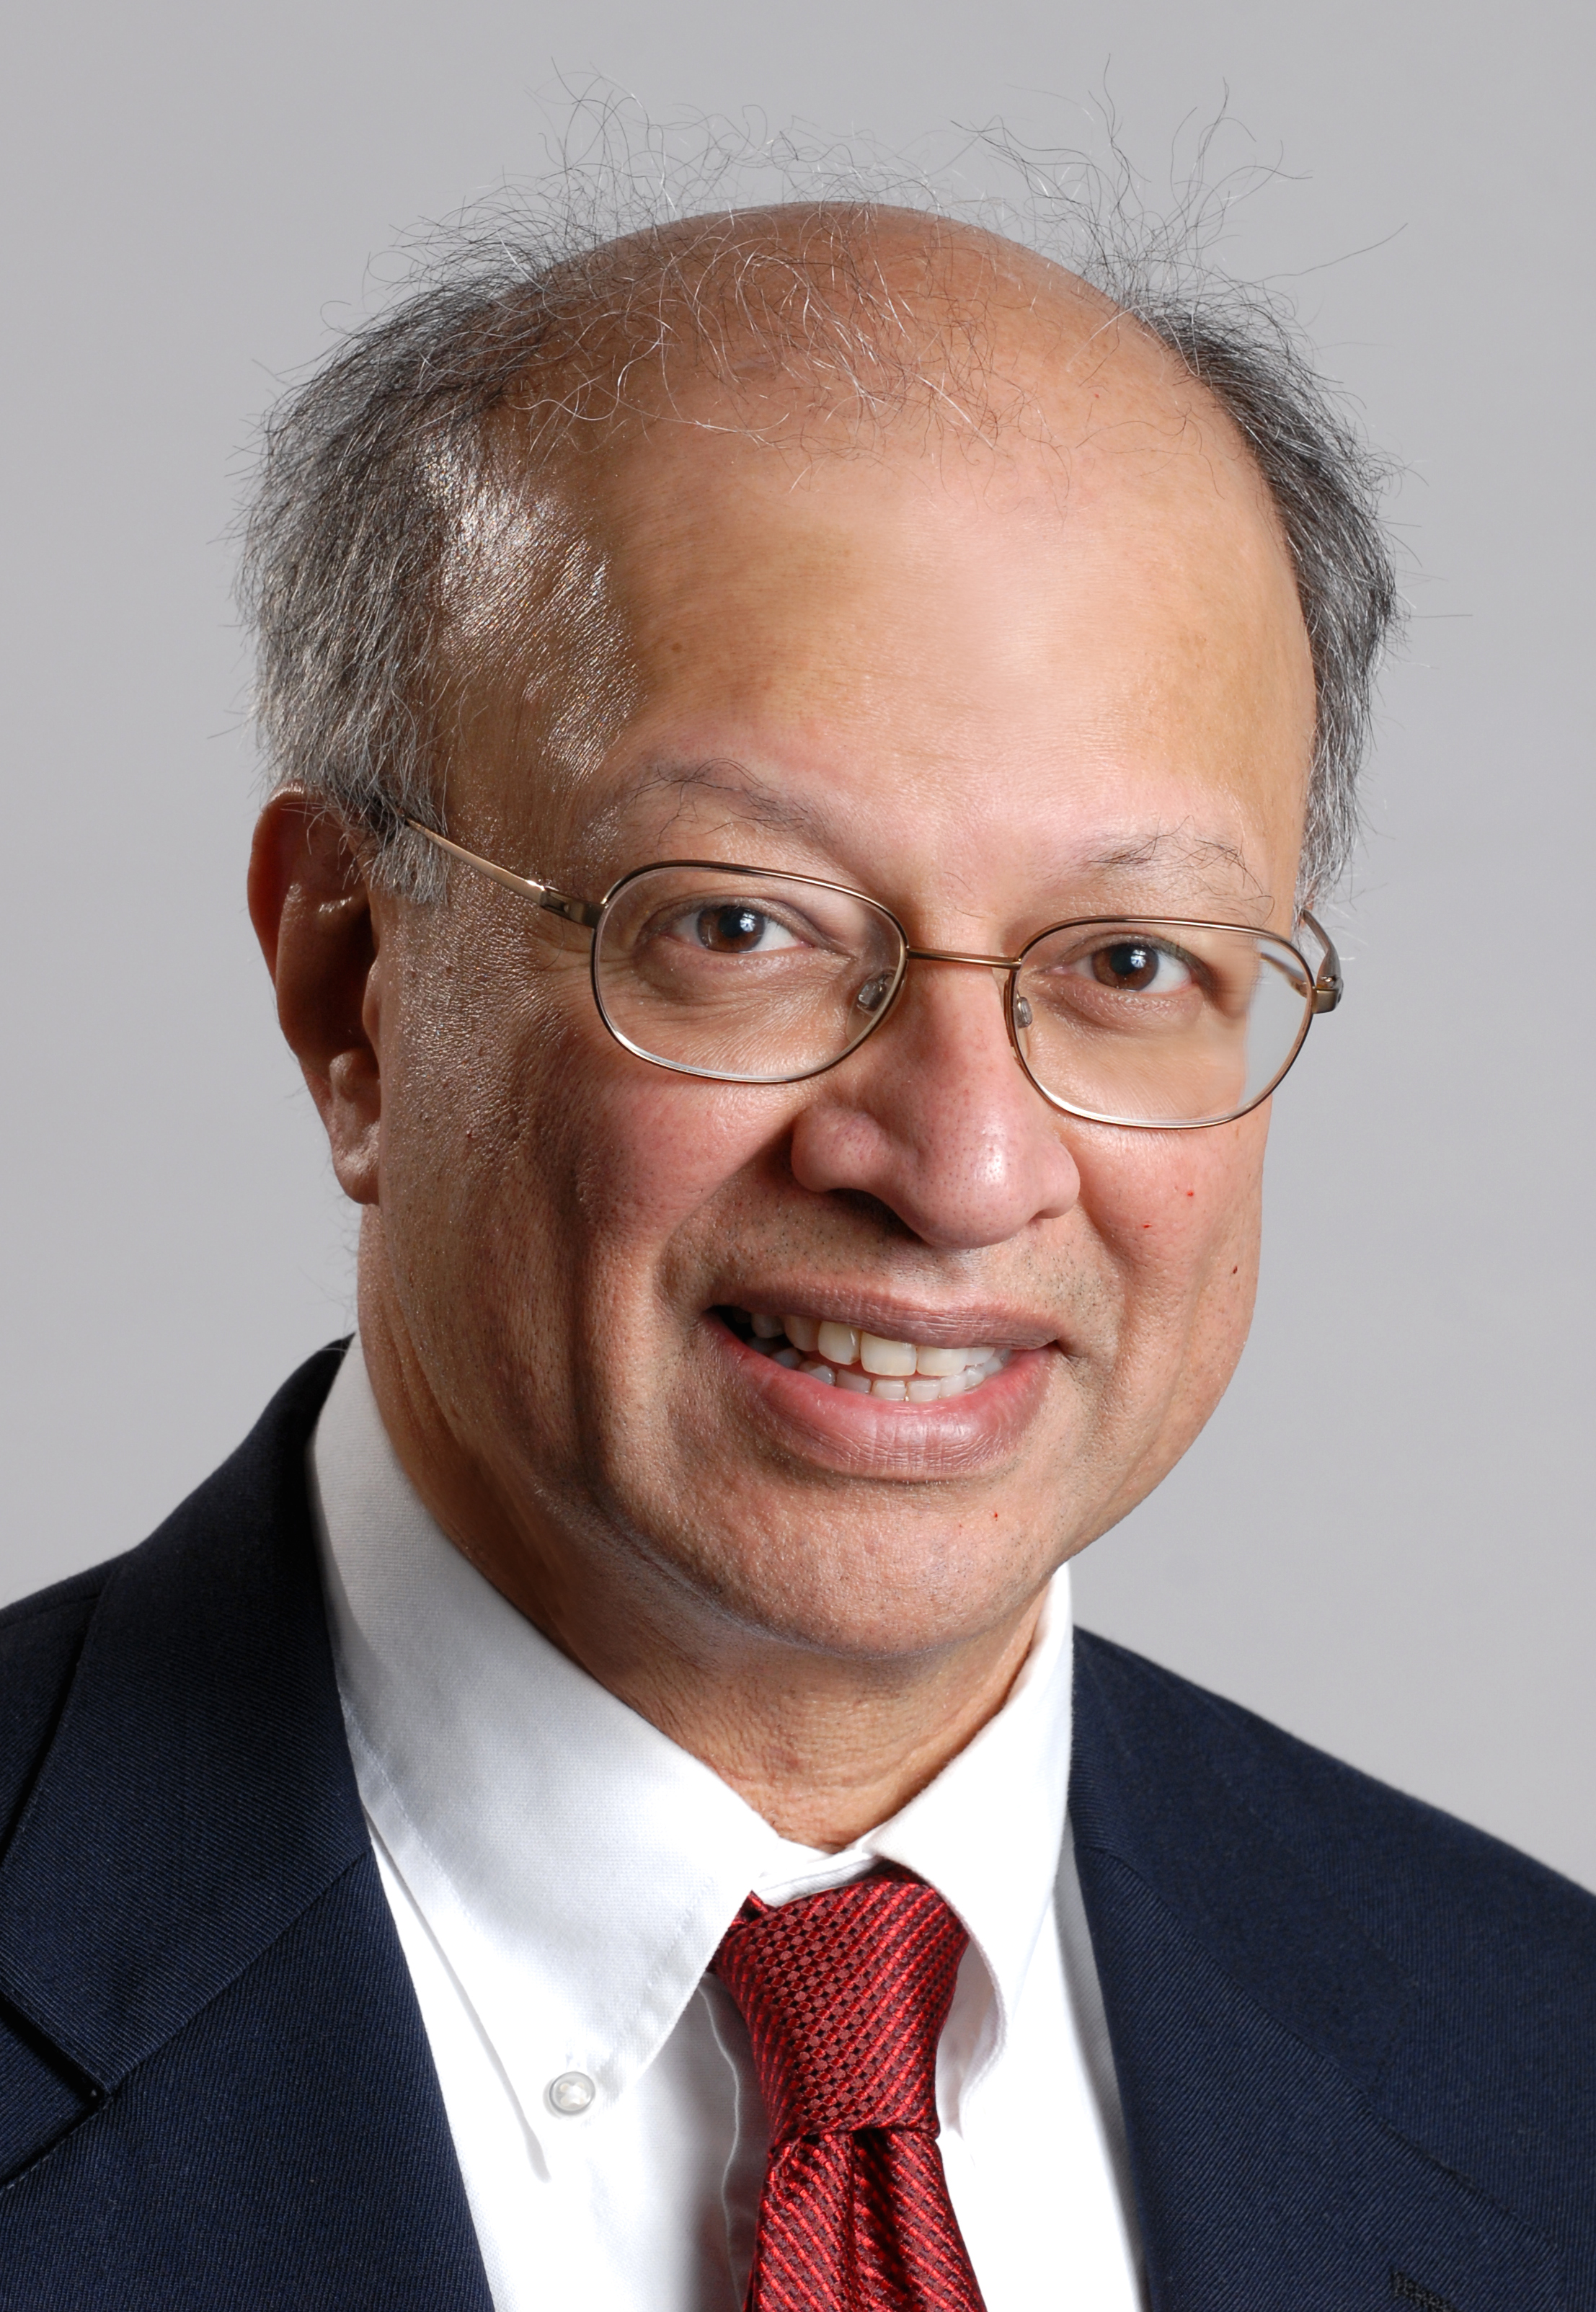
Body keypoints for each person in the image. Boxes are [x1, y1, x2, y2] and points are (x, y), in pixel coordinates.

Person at [0, 194, 1590, 2312]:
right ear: (352, 981)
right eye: (738, 926)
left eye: (1129, 959)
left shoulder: (1540, 2077)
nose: (959, 1161)